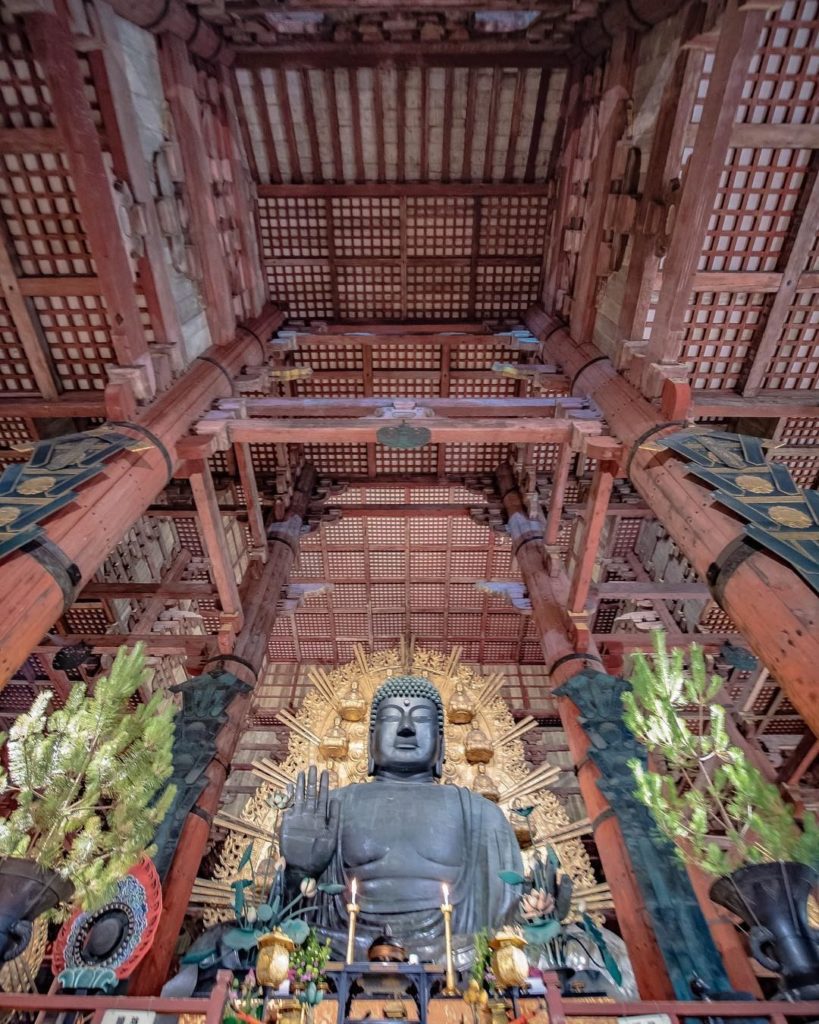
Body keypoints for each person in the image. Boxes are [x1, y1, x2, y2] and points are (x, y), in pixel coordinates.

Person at [279, 676, 523, 961]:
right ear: (371, 740)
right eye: (392, 718)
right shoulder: (335, 805)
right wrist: (298, 871)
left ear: (440, 743)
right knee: (238, 940)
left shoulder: (480, 813)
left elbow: (506, 912)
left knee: (562, 946)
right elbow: (296, 912)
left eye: (420, 719)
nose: (406, 729)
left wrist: (542, 908)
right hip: (348, 943)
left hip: (454, 948)